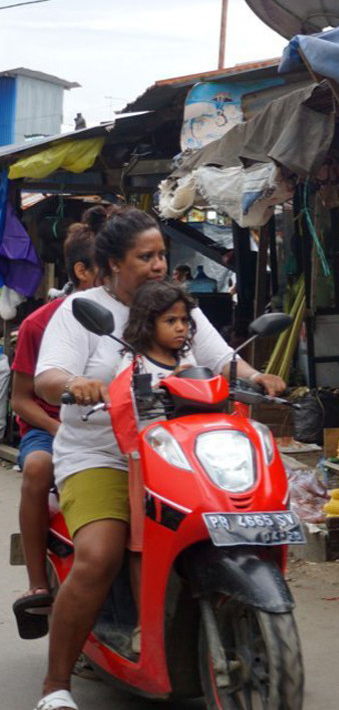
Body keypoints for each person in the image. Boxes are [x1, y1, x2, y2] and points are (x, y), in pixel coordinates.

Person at [33, 206, 284, 710]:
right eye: (144, 257)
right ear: (110, 266)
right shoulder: (81, 311)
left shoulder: (177, 305)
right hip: (101, 453)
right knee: (100, 554)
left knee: (235, 520)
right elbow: (46, 377)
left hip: (177, 450)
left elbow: (218, 357)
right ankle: (55, 686)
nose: (157, 265)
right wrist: (76, 384)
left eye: (161, 255)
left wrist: (257, 378)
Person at [11, 214, 99, 641]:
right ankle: (37, 583)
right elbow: (22, 400)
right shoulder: (37, 324)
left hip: (111, 425)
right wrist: (57, 427)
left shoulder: (138, 316)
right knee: (38, 468)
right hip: (49, 426)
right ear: (82, 272)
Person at [118, 278, 197, 654]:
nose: (181, 327)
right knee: (142, 546)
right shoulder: (133, 364)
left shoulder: (189, 362)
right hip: (146, 467)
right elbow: (126, 406)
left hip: (189, 466)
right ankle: (142, 623)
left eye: (184, 320)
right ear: (148, 324)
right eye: (171, 321)